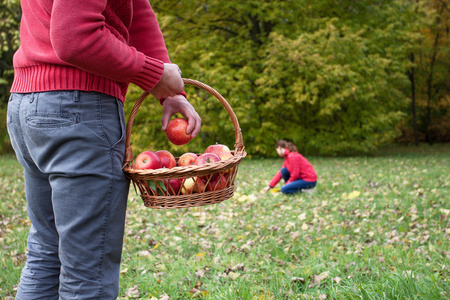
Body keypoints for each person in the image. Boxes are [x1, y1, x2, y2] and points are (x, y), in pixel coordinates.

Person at [6, 0, 201, 299]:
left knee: (47, 252)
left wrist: (168, 90)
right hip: (77, 109)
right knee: (86, 274)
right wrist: (153, 73)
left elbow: (135, 12)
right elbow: (75, 37)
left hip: (29, 101)